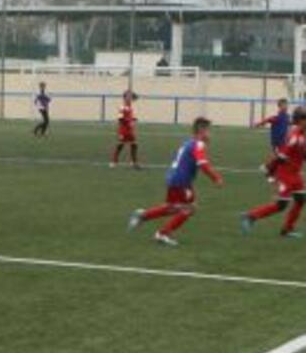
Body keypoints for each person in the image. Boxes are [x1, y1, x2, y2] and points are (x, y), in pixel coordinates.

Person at [127, 116, 223, 247]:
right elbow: (203, 163)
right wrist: (216, 178)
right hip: (181, 181)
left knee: (172, 208)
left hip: (174, 178)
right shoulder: (198, 144)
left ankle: (143, 215)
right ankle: (162, 234)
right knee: (189, 209)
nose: (209, 134)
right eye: (208, 130)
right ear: (201, 130)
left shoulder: (188, 142)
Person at [241, 107, 306, 239]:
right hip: (285, 175)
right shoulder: (294, 137)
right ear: (300, 121)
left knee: (300, 199)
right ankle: (250, 216)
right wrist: (269, 169)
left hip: (295, 174)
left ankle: (287, 230)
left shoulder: (302, 134)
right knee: (281, 205)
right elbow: (281, 157)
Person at [254, 98, 291, 179]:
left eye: (286, 104)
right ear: (279, 106)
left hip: (283, 141)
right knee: (278, 157)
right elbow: (268, 119)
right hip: (277, 141)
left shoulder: (287, 116)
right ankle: (267, 168)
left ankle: (270, 170)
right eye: (284, 105)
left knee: (281, 157)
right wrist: (259, 124)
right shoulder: (278, 117)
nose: (286, 106)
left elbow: (289, 123)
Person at [111, 90, 140, 168]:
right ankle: (114, 161)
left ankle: (134, 162)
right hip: (123, 130)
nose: (130, 99)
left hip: (130, 130)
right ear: (125, 98)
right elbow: (120, 119)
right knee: (120, 145)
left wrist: (134, 119)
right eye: (128, 97)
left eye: (130, 97)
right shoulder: (122, 107)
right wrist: (129, 122)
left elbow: (136, 98)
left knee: (134, 145)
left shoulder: (130, 107)